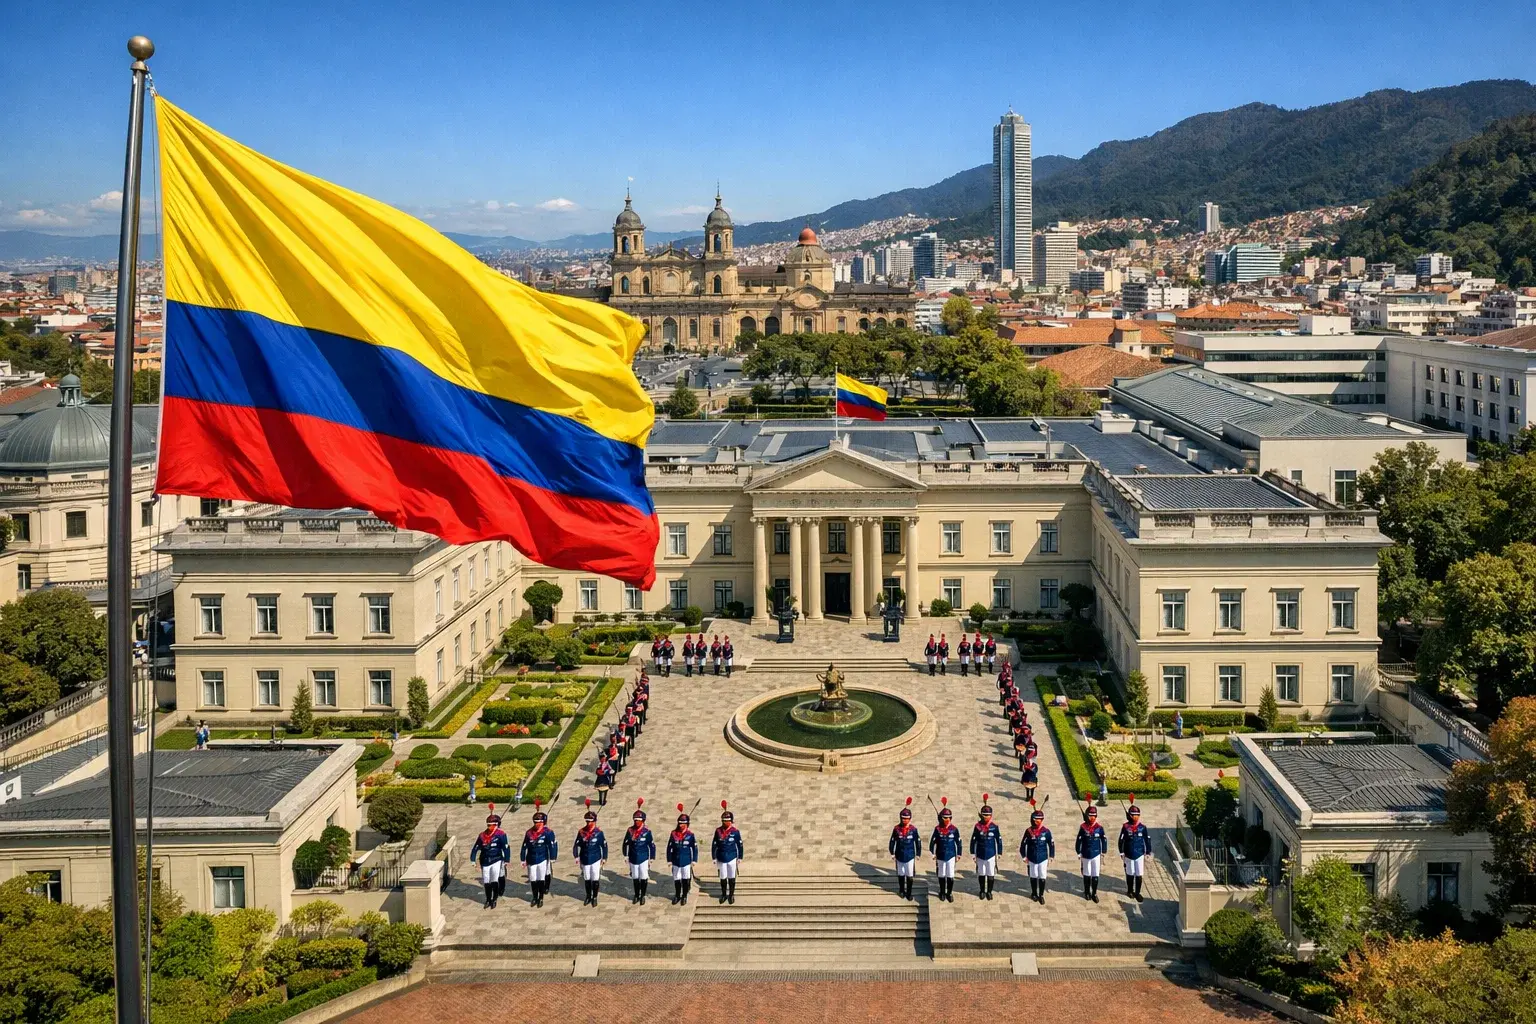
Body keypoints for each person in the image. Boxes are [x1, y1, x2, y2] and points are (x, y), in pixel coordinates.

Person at [469, 810, 511, 909]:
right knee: (486, 881)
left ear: (496, 825)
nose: (490, 827)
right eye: (488, 825)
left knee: (494, 880)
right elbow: (476, 847)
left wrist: (506, 859)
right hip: (485, 861)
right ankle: (488, 899)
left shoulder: (501, 834)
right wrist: (472, 859)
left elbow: (505, 847)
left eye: (492, 825)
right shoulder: (482, 835)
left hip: (496, 859)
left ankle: (494, 899)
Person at [520, 803, 558, 907]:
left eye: (539, 822)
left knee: (541, 879)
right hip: (531, 859)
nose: (537, 824)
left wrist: (553, 857)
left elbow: (552, 845)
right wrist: (522, 859)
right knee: (533, 879)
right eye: (535, 822)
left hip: (542, 858)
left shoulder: (548, 833)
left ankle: (540, 898)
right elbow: (524, 846)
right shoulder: (529, 833)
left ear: (543, 822)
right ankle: (534, 897)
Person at [574, 803, 608, 906]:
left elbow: (604, 846)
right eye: (587, 821)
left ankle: (595, 897)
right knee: (587, 878)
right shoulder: (581, 832)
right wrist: (576, 856)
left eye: (591, 821)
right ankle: (588, 896)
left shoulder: (599, 833)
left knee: (595, 878)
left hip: (596, 858)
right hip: (585, 858)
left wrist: (604, 858)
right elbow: (576, 845)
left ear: (595, 821)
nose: (589, 824)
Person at [1020, 805, 1055, 904]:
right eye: (1035, 819)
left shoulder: (1046, 832)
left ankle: (1041, 895)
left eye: (1039, 819)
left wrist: (1051, 856)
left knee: (1042, 876)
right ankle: (1034, 893)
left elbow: (1051, 844)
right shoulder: (1029, 831)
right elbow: (1023, 845)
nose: (1036, 821)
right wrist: (1024, 856)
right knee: (1033, 876)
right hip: (1031, 858)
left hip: (1043, 858)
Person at [623, 800, 656, 904]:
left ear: (643, 821)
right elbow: (625, 843)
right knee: (635, 877)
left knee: (643, 876)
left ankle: (643, 895)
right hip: (633, 857)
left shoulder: (647, 832)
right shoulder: (630, 830)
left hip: (643, 857)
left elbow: (651, 845)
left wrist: (652, 858)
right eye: (635, 820)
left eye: (639, 820)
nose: (637, 822)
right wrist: (626, 855)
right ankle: (637, 894)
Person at [970, 797, 1003, 900]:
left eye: (988, 815)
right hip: (980, 854)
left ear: (991, 816)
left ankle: (989, 891)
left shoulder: (994, 827)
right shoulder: (977, 826)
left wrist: (999, 852)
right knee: (981, 873)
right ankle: (982, 891)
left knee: (990, 874)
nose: (986, 817)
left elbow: (999, 840)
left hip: (991, 854)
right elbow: (973, 840)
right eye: (984, 815)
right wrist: (972, 853)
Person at [1118, 799, 1151, 902]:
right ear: (1130, 816)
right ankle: (1130, 890)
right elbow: (1121, 840)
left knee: (1139, 874)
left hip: (1139, 854)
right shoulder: (1125, 827)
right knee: (1130, 873)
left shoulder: (1142, 828)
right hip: (1128, 854)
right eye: (1133, 814)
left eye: (1137, 815)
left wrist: (1148, 851)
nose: (1135, 817)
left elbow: (1147, 839)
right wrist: (1121, 852)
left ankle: (1137, 892)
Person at [889, 799, 922, 900]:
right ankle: (902, 890)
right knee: (901, 874)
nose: (904, 820)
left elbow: (918, 842)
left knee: (910, 875)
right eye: (903, 818)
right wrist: (892, 853)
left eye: (906, 818)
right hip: (899, 855)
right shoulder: (896, 829)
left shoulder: (913, 830)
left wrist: (918, 853)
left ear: (910, 819)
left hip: (910, 855)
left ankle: (909, 892)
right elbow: (892, 841)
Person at [929, 800, 961, 903]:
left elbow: (958, 842)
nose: (946, 820)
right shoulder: (937, 829)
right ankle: (942, 892)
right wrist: (933, 853)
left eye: (948, 818)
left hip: (951, 855)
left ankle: (949, 893)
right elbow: (932, 842)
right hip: (940, 855)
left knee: (950, 875)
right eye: (944, 818)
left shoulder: (954, 829)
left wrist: (959, 854)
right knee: (941, 874)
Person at [666, 805, 699, 905]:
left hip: (686, 861)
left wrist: (694, 860)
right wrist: (669, 860)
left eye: (683, 823)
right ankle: (677, 895)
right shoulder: (673, 834)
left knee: (685, 880)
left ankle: (684, 896)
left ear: (687, 824)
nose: (681, 825)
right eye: (680, 823)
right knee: (677, 879)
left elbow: (694, 848)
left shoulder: (690, 835)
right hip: (676, 860)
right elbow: (669, 847)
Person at [712, 802, 744, 904]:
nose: (727, 823)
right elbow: (714, 844)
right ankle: (723, 894)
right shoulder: (718, 831)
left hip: (732, 857)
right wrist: (713, 856)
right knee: (723, 877)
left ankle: (731, 894)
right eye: (725, 821)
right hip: (721, 857)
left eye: (728, 821)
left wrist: (740, 857)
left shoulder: (735, 832)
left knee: (731, 877)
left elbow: (739, 845)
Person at [1076, 802, 1108, 903]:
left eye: (1094, 816)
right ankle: (1086, 892)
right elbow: (1079, 840)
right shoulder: (1083, 827)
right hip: (1085, 854)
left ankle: (1094, 893)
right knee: (1086, 874)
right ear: (1086, 816)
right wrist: (1078, 851)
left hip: (1096, 854)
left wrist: (1104, 850)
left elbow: (1103, 839)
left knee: (1095, 875)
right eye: (1090, 816)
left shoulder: (1099, 828)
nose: (1092, 818)